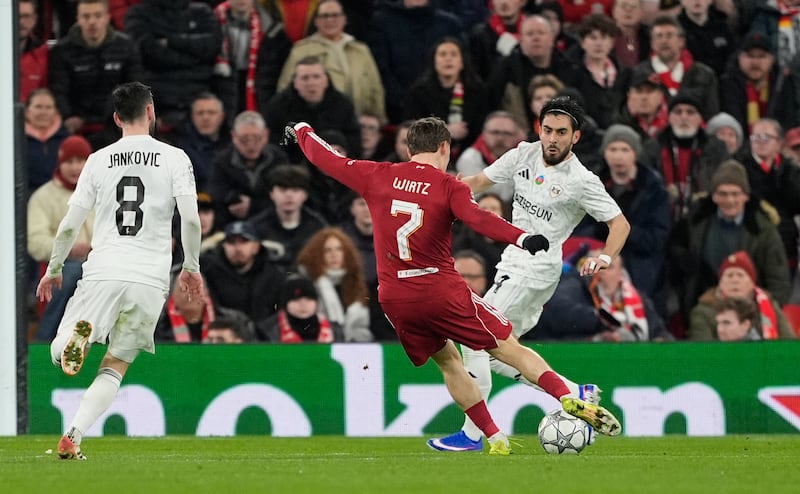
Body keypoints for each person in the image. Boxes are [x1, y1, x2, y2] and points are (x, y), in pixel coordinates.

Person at [283, 115, 623, 455]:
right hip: (439, 289)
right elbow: (479, 219)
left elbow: (327, 159)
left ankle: (492, 437)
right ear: (445, 148)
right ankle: (568, 395)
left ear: (408, 148)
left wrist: (303, 131)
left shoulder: (378, 174)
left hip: (394, 297)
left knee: (448, 362)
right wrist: (521, 236)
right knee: (507, 347)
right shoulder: (448, 186)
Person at [433, 96, 631, 451]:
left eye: (561, 132)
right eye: (548, 130)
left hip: (535, 269)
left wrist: (603, 257)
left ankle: (474, 434)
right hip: (513, 263)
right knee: (499, 354)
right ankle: (574, 392)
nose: (552, 138)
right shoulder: (523, 154)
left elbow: (619, 224)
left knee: (474, 338)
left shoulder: (582, 180)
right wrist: (443, 192)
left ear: (576, 137)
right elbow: (479, 180)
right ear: (539, 129)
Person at [36, 81, 204, 460]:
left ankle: (71, 346)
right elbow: (191, 221)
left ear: (115, 119)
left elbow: (69, 223)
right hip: (151, 279)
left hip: (105, 269)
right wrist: (191, 267)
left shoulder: (97, 160)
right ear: (150, 112)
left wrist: (54, 267)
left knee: (58, 351)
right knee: (116, 365)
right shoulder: (175, 158)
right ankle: (74, 435)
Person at [28, 135, 95, 342]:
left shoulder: (101, 192)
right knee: (75, 271)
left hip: (98, 263)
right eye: (69, 161)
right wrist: (69, 249)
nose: (75, 167)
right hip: (59, 266)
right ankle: (46, 339)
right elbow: (35, 241)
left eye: (80, 161)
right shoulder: (43, 196)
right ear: (60, 162)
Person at [276, 0, 387, 123]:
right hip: (316, 124)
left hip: (359, 123)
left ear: (344, 19)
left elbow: (375, 89)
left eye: (335, 15)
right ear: (316, 21)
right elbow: (285, 89)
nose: (330, 20)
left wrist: (378, 119)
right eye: (324, 16)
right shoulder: (301, 51)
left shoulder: (361, 51)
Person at [48, 0, 143, 136]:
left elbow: (135, 86)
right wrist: (68, 116)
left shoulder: (126, 47)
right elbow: (59, 90)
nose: (92, 21)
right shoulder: (62, 51)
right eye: (86, 16)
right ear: (78, 19)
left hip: (116, 123)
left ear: (107, 17)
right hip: (77, 126)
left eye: (98, 16)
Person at [688, 250, 796, 340]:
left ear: (752, 283)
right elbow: (703, 350)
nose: (735, 280)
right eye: (729, 276)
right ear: (720, 283)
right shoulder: (703, 311)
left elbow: (789, 342)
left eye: (740, 275)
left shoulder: (769, 306)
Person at [295, 227, 372, 342]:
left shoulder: (357, 283)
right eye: (327, 250)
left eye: (339, 249)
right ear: (317, 255)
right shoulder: (306, 284)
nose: (334, 255)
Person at [256, 273, 344, 342]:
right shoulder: (266, 331)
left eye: (309, 299)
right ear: (286, 303)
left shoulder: (335, 331)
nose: (303, 305)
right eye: (296, 300)